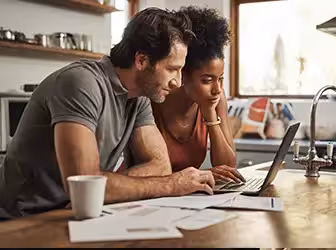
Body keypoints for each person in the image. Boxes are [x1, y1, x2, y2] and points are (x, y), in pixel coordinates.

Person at [0, 7, 215, 220]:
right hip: (24, 220)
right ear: (141, 61)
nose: (177, 82)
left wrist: (105, 186)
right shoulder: (81, 83)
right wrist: (171, 185)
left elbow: (160, 166)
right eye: (171, 69)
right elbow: (85, 184)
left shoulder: (139, 98)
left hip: (79, 213)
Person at [151, 6, 245, 184]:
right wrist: (201, 175)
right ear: (182, 73)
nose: (217, 89)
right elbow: (145, 171)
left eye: (221, 79)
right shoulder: (154, 99)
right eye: (207, 80)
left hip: (187, 200)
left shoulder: (215, 100)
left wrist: (210, 115)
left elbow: (228, 168)